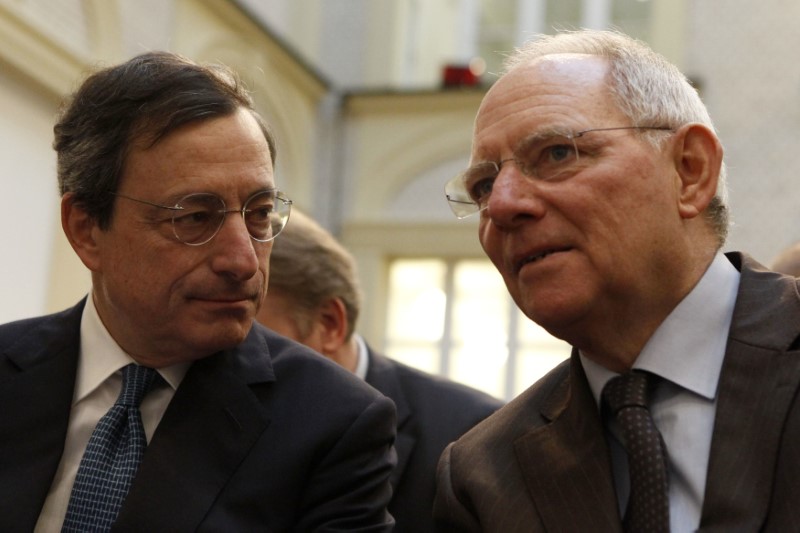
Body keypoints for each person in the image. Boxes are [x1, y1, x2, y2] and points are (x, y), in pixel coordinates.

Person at [0, 51, 397, 532]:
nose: (243, 260)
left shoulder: (334, 425)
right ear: (86, 229)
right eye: (194, 218)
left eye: (259, 214)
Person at [435, 29, 800, 532]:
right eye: (483, 185)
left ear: (690, 171)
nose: (501, 206)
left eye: (557, 154)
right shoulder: (482, 475)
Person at [255, 209, 504, 533]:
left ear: (330, 323)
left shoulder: (475, 438)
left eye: (254, 340)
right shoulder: (212, 419)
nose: (235, 359)